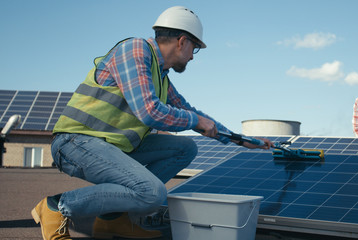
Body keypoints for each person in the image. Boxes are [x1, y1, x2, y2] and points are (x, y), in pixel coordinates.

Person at [31, 6, 273, 240]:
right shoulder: (135, 50)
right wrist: (195, 120)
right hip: (76, 143)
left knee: (185, 148)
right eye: (194, 49)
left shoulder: (160, 75)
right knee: (151, 193)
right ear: (182, 41)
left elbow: (189, 112)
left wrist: (243, 141)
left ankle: (111, 219)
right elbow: (150, 112)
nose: (191, 56)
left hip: (112, 147)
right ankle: (56, 207)